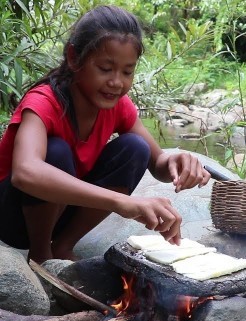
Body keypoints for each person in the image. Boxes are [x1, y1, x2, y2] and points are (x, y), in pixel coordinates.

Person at [0, 5, 211, 263]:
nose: (117, 82)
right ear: (74, 58)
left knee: (135, 148)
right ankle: (41, 251)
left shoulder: (118, 106)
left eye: (127, 71)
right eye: (105, 68)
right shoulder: (44, 102)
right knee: (56, 152)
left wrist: (178, 162)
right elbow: (25, 172)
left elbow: (157, 164)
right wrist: (120, 203)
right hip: (13, 217)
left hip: (64, 207)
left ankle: (64, 246)